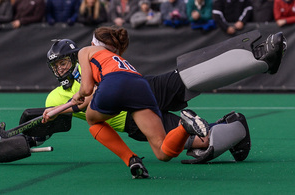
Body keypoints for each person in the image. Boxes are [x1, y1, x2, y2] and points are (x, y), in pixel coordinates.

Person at [42, 26, 286, 178]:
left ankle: (260, 54)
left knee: (190, 76)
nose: (61, 69)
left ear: (74, 57)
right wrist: (55, 111)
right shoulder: (55, 95)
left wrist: (64, 107)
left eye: (63, 62)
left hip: (129, 101)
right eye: (56, 66)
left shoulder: (88, 56)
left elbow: (90, 95)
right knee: (188, 144)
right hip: (139, 96)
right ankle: (233, 124)